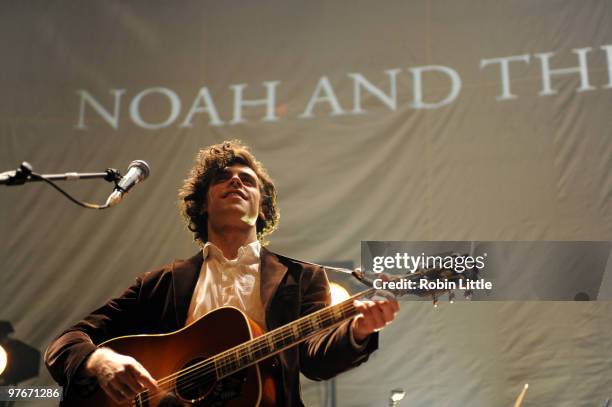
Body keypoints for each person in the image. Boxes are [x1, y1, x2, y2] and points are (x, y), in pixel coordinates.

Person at [45, 140, 399, 406]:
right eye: (223, 178)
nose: (236, 183)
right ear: (201, 203)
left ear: (262, 209)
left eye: (247, 180)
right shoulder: (160, 284)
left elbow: (315, 360)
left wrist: (358, 329)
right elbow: (64, 344)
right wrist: (99, 359)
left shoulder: (301, 279)